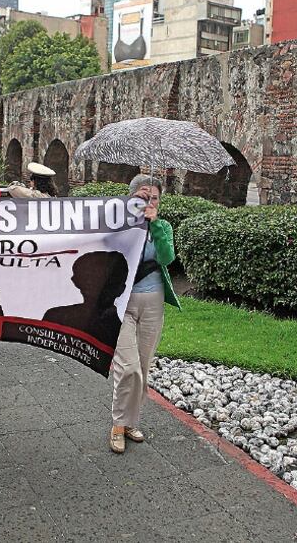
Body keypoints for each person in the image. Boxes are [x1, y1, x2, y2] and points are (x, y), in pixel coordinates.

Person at [108, 174, 181, 454]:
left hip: (153, 302)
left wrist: (156, 227)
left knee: (143, 368)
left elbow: (166, 258)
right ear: (130, 199)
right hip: (122, 303)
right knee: (128, 368)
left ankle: (130, 423)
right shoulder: (118, 227)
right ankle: (117, 424)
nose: (148, 202)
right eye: (141, 197)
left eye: (154, 198)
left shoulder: (162, 227)